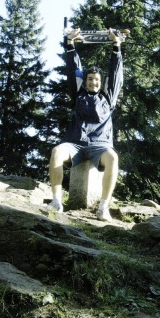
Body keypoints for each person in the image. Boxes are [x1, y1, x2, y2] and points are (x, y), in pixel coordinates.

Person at [48, 27, 123, 222]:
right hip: (75, 144)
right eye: (90, 79)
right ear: (86, 81)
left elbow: (115, 73)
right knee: (56, 152)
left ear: (101, 82)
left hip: (101, 145)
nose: (93, 83)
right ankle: (56, 201)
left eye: (96, 80)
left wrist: (116, 45)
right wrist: (70, 44)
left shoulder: (108, 97)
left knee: (113, 158)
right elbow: (73, 69)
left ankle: (103, 207)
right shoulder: (78, 94)